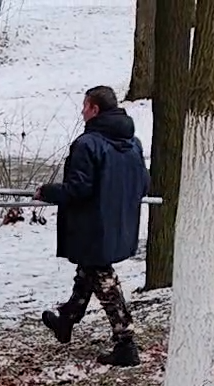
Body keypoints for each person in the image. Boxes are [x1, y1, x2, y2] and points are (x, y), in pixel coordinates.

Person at [36, 86, 151, 368]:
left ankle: (126, 343)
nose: (82, 111)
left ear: (95, 110)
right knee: (89, 269)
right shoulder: (132, 142)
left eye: (85, 106)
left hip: (94, 223)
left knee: (103, 278)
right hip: (118, 221)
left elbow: (79, 189)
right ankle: (66, 320)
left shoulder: (88, 144)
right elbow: (143, 182)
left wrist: (47, 192)